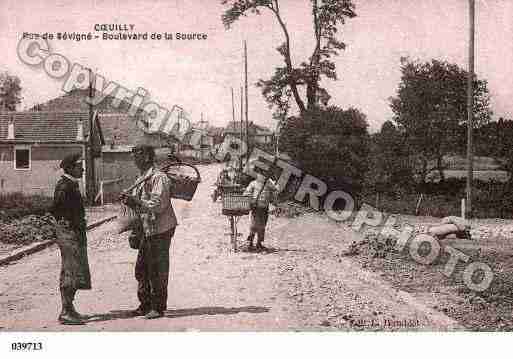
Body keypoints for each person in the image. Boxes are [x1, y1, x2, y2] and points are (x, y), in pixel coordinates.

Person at [120, 144, 177, 319]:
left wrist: (135, 202)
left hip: (160, 229)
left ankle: (158, 307)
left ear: (145, 157)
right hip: (147, 228)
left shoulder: (158, 178)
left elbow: (158, 205)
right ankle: (145, 305)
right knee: (142, 268)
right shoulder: (142, 177)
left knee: (157, 268)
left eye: (136, 156)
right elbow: (140, 205)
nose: (134, 160)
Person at [52, 153, 91, 325]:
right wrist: (73, 223)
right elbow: (57, 209)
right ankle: (66, 311)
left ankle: (70, 308)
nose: (82, 168)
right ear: (70, 168)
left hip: (74, 231)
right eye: (79, 166)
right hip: (69, 232)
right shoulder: (64, 186)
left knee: (76, 269)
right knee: (71, 269)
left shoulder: (71, 184)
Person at [243, 172, 278, 251]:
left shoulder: (268, 183)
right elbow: (246, 193)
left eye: (264, 175)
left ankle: (259, 243)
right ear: (258, 175)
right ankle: (250, 243)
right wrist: (251, 200)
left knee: (262, 225)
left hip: (265, 207)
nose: (262, 176)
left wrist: (273, 197)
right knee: (254, 225)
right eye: (261, 175)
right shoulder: (253, 183)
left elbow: (275, 190)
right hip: (256, 207)